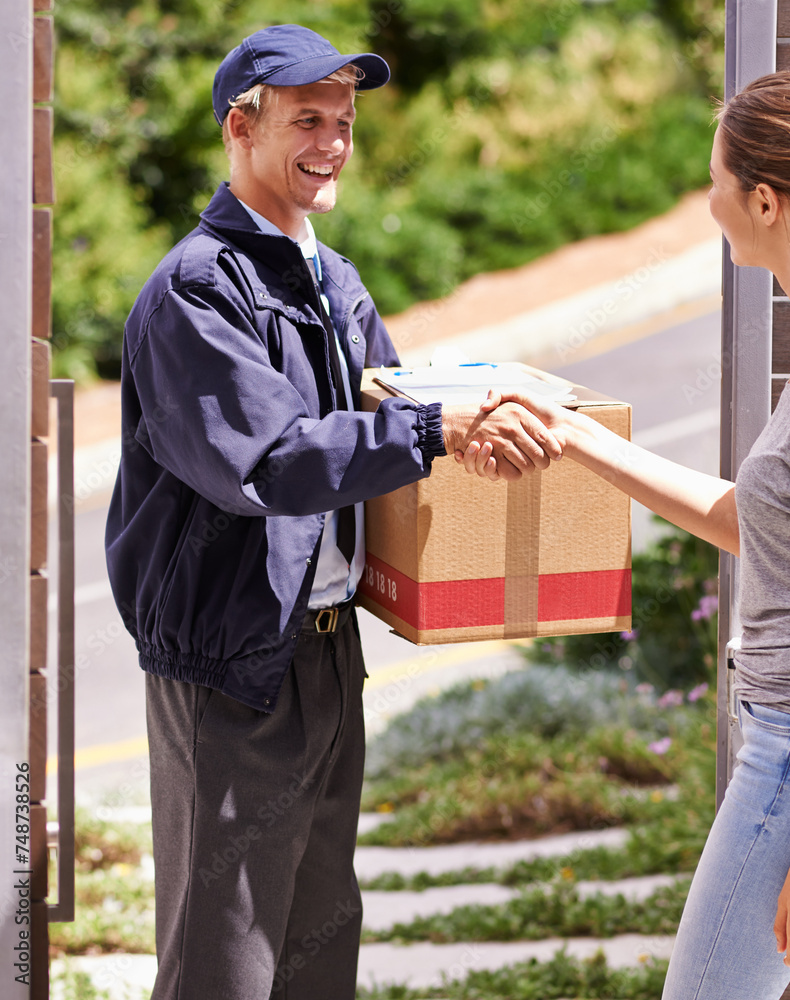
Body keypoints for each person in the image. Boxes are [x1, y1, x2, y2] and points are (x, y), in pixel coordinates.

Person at [461, 71, 790, 998]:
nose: (707, 201)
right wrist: (576, 436)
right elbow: (755, 524)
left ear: (766, 202)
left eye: (717, 182)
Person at [105, 24, 560, 1000]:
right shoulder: (198, 293)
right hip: (233, 665)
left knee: (318, 943)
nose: (331, 142)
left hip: (324, 652)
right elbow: (269, 462)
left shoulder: (330, 278)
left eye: (344, 121)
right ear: (241, 126)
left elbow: (385, 419)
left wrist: (471, 426)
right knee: (225, 958)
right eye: (307, 118)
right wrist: (441, 426)